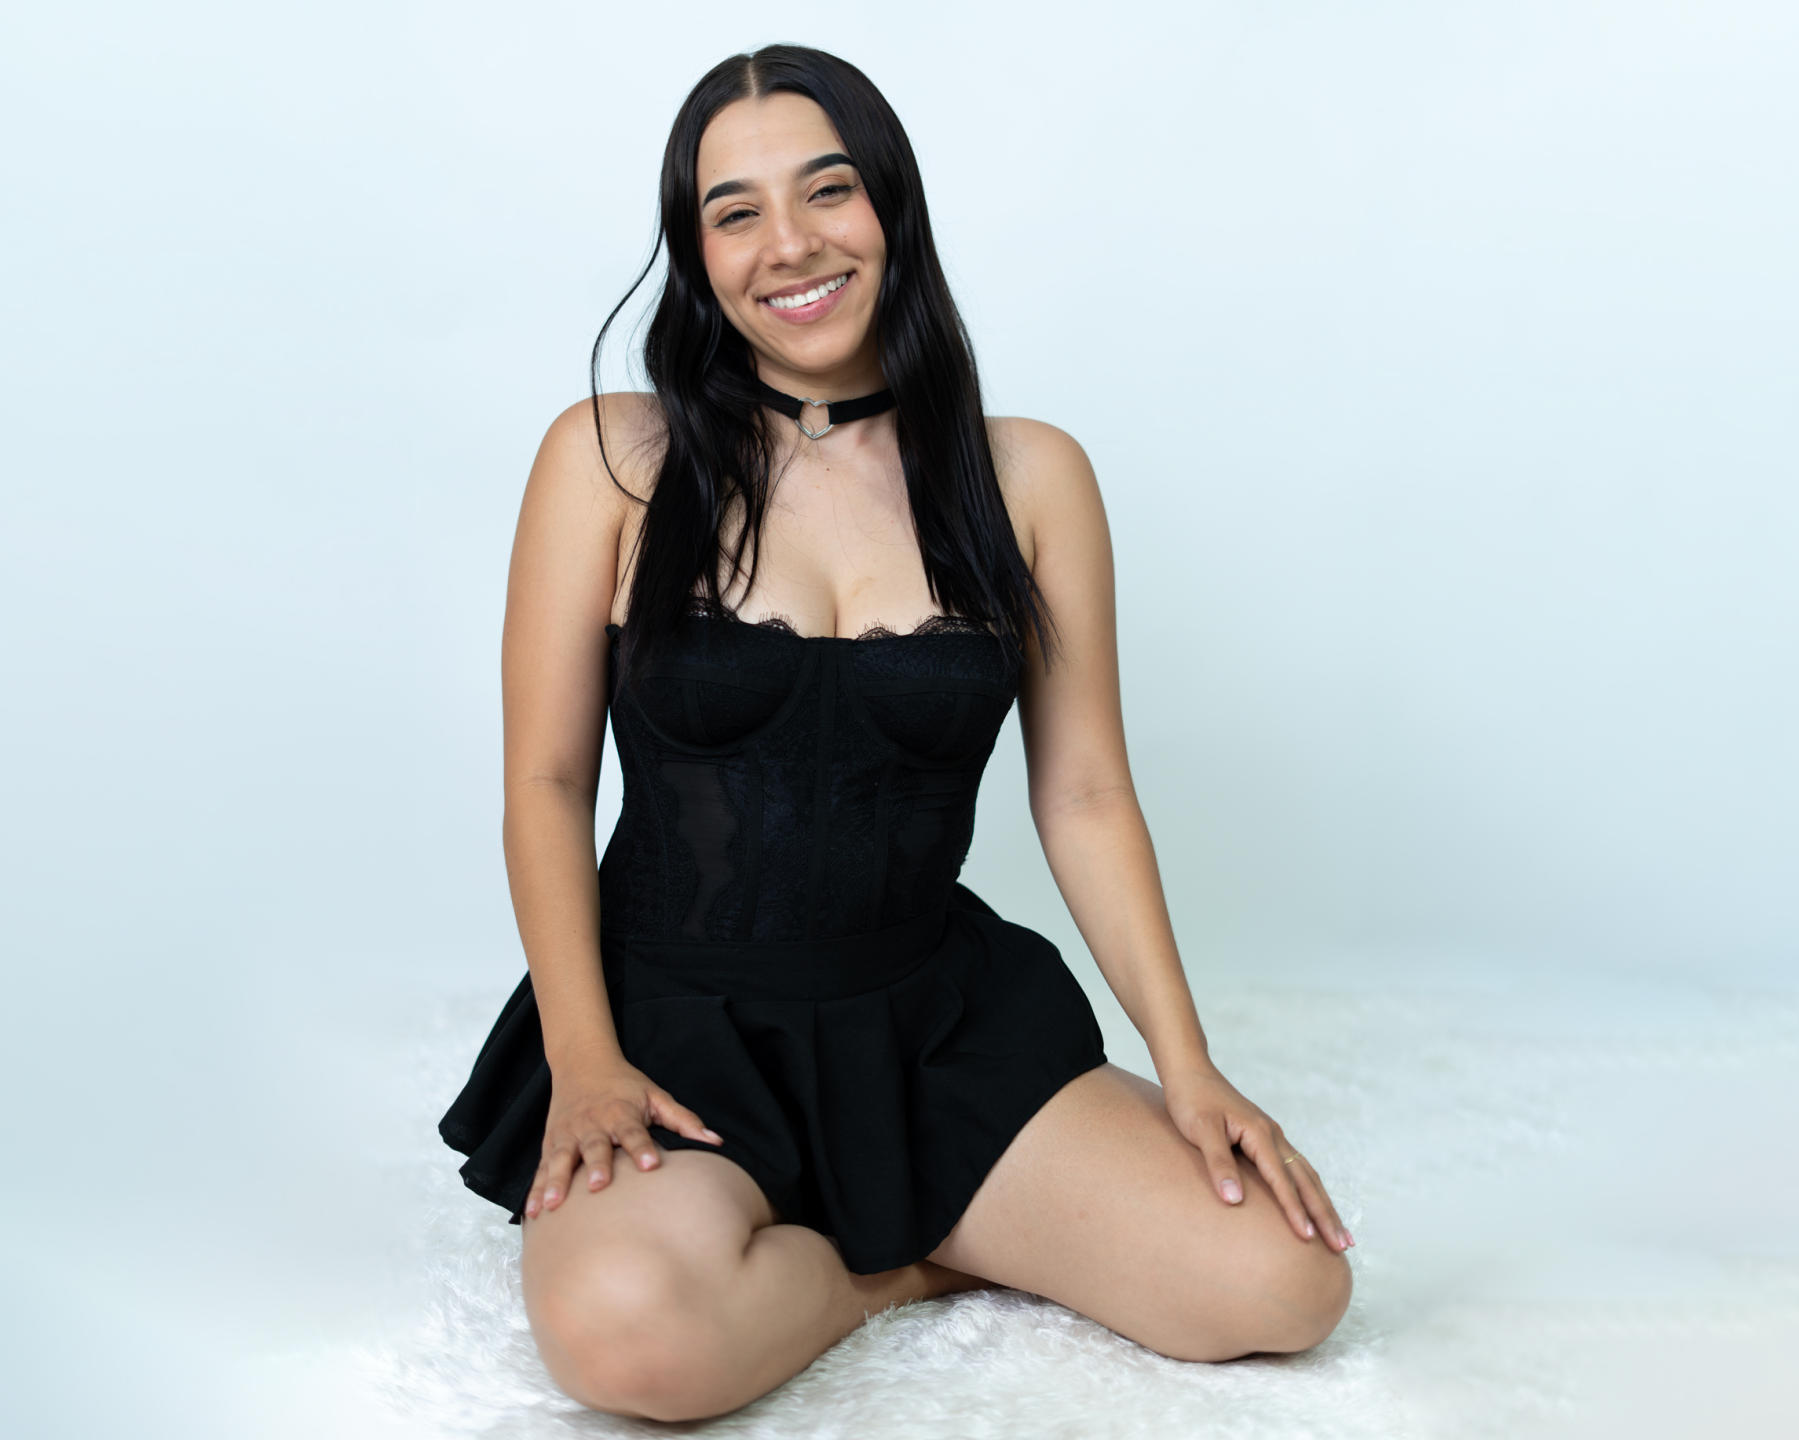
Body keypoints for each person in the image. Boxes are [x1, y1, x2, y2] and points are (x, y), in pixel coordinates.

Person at [437, 43, 1353, 1423]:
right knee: (631, 1348)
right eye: (735, 212)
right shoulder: (613, 457)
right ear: (695, 253)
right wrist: (584, 1056)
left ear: (891, 206)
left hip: (929, 1021)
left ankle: (895, 1231)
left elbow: (1086, 795)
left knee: (1285, 1285)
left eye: (828, 191)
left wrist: (1188, 1064)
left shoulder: (1028, 475)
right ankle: (907, 1263)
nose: (789, 244)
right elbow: (547, 780)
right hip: (672, 1027)